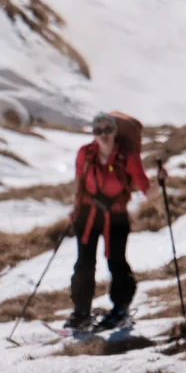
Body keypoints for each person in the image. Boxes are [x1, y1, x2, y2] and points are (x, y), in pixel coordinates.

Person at [69, 111, 149, 334]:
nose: (102, 134)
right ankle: (80, 312)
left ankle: (120, 310)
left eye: (107, 129)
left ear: (115, 131)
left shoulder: (127, 158)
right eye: (98, 130)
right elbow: (79, 181)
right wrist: (75, 209)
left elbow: (145, 185)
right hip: (87, 214)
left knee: (116, 262)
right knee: (84, 263)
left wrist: (160, 182)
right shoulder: (85, 154)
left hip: (116, 217)